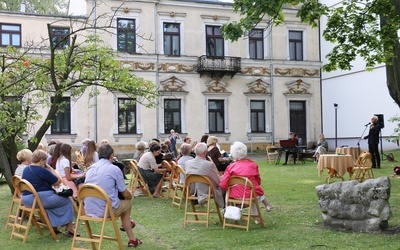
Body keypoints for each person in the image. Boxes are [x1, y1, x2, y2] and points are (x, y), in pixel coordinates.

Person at [84, 144, 142, 247]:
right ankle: (131, 235)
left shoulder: (90, 169)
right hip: (106, 210)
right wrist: (130, 195)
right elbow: (124, 193)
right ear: (112, 155)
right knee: (127, 203)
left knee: (122, 204)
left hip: (88, 210)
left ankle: (127, 226)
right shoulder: (114, 169)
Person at [21, 149, 77, 237]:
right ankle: (70, 229)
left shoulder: (26, 169)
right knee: (66, 201)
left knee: (52, 202)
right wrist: (51, 169)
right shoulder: (41, 170)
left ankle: (54, 228)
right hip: (38, 198)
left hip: (26, 199)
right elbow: (58, 181)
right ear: (41, 161)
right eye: (45, 161)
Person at [220, 142, 272, 222]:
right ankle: (256, 217)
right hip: (250, 193)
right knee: (254, 192)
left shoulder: (230, 167)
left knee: (252, 192)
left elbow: (223, 184)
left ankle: (254, 216)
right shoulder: (253, 165)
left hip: (235, 195)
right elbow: (258, 181)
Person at [185, 143, 224, 208]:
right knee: (225, 187)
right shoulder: (209, 165)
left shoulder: (188, 163)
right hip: (207, 191)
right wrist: (223, 177)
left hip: (192, 190)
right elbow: (217, 182)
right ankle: (226, 210)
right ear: (205, 152)